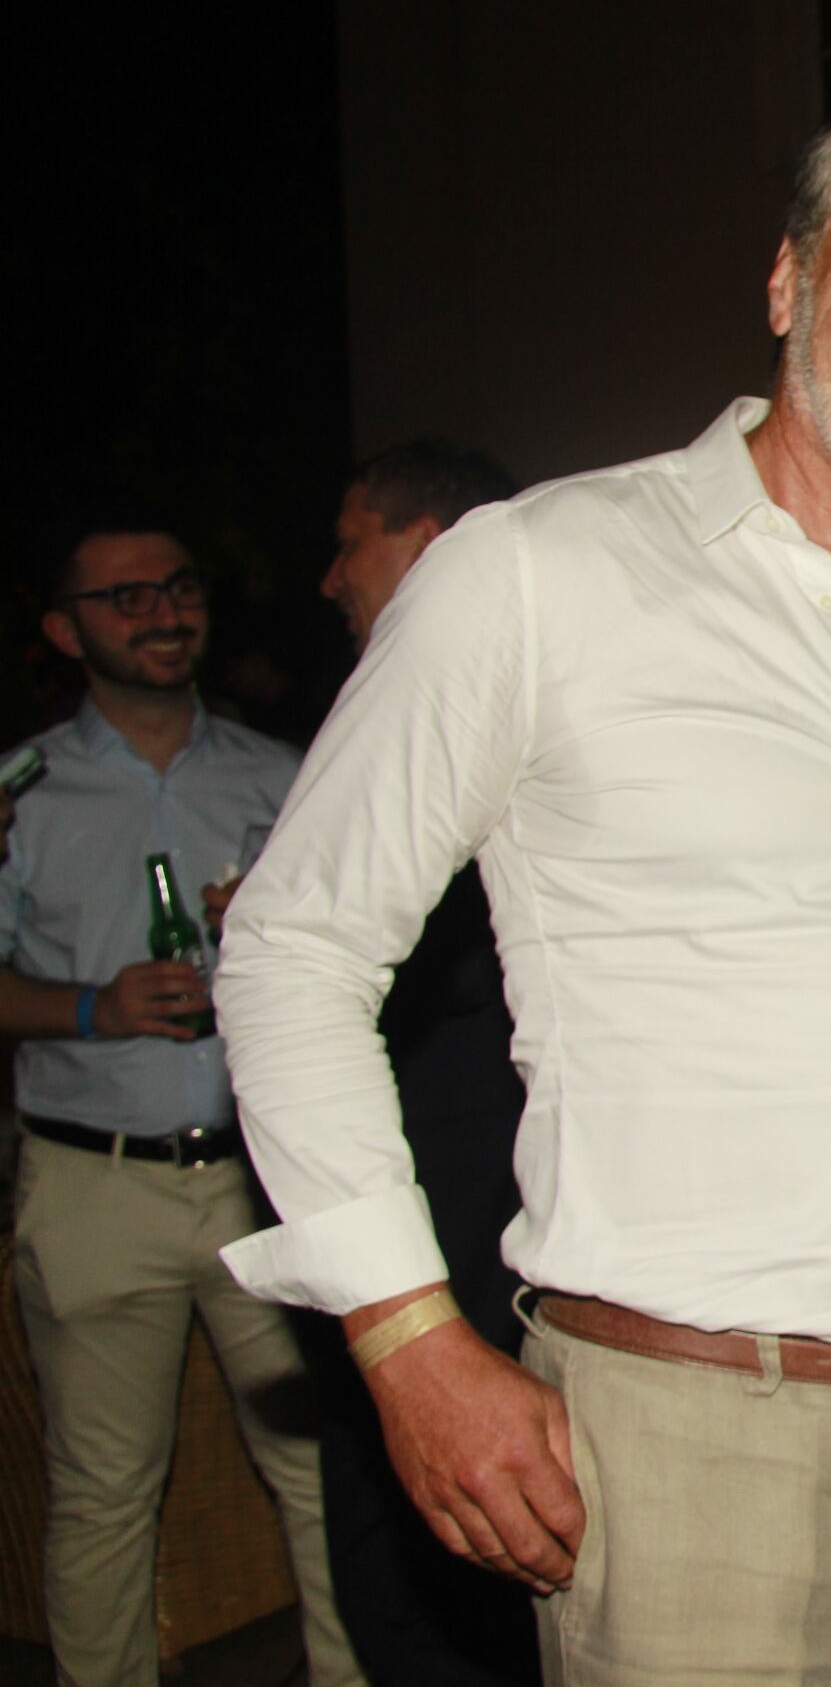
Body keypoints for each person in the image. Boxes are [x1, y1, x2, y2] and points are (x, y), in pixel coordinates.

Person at [212, 65, 831, 1685]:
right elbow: (293, 948)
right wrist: (403, 1335)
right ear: (788, 276)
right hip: (696, 1460)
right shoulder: (540, 573)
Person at [0, 523, 359, 1687]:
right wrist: (93, 1010)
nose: (164, 613)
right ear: (66, 630)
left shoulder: (282, 772)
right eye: (125, 597)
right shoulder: (20, 794)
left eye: (181, 588)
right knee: (102, 1494)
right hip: (95, 1179)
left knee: (322, 1479)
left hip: (266, 1179)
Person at [297, 440, 542, 1686]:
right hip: (416, 1186)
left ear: (435, 547)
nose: (331, 576)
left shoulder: (489, 683)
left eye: (353, 541)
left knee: (444, 1551)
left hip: (477, 1181)